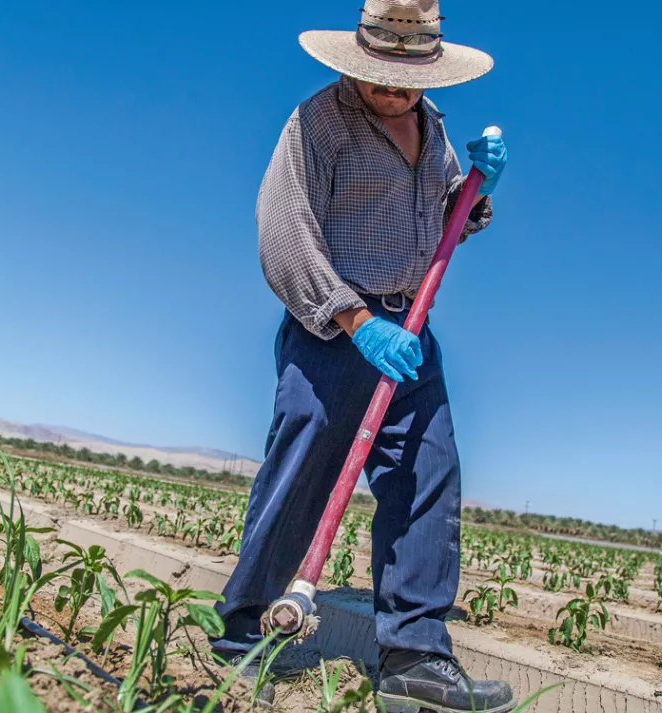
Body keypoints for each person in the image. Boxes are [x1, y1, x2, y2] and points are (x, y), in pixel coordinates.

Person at [211, 2, 513, 711]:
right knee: (302, 468)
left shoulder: (432, 128)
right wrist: (353, 320)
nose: (392, 90)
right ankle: (244, 633)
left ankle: (413, 650)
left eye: (407, 78)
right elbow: (283, 233)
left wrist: (473, 198)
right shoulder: (319, 123)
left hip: (408, 331)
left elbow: (436, 228)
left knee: (426, 472)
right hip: (330, 330)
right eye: (379, 77)